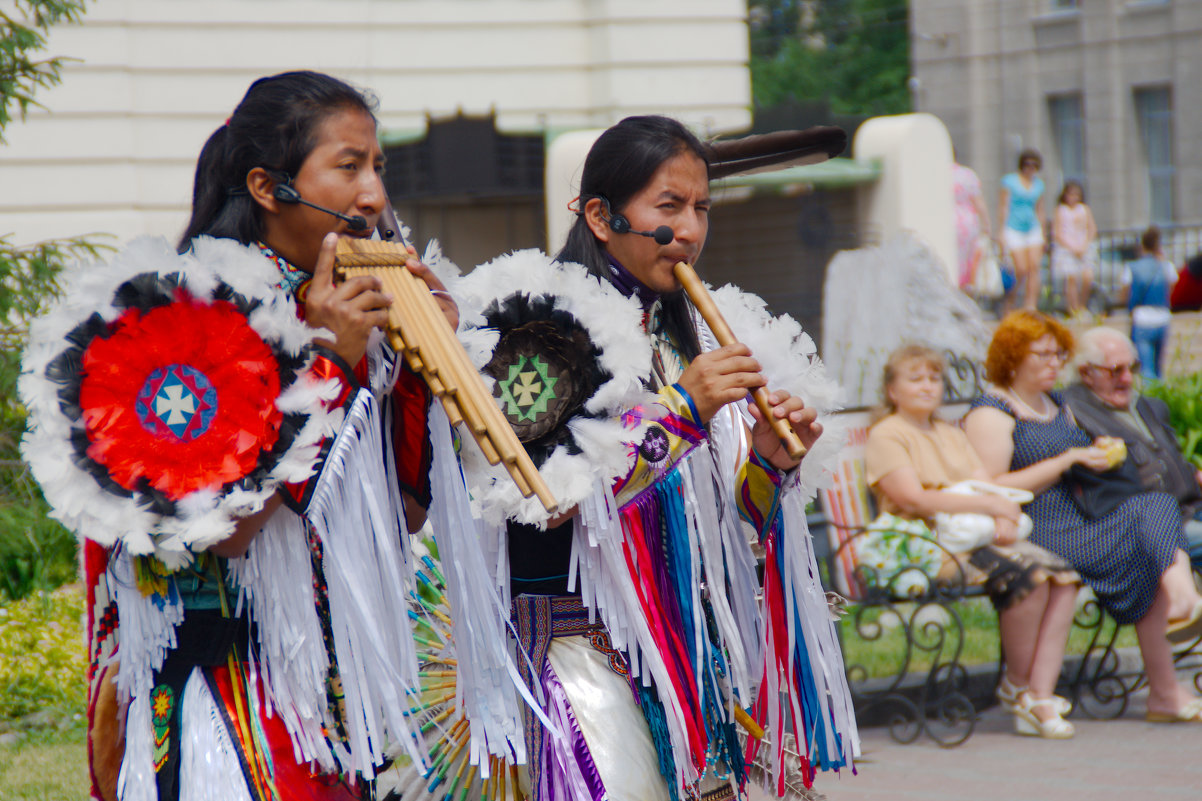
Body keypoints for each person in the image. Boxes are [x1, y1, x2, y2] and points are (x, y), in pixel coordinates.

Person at [82, 71, 459, 801]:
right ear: (268, 186)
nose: (374, 196)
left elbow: (401, 518)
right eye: (348, 167)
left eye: (377, 166)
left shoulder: (345, 308)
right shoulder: (178, 320)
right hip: (223, 697)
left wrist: (415, 376)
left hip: (333, 693)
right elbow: (224, 531)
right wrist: (326, 364)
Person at [457, 115, 851, 800]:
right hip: (577, 652)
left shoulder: (691, 334)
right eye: (669, 207)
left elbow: (733, 533)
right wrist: (680, 412)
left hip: (689, 657)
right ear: (602, 217)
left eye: (701, 208)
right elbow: (543, 500)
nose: (692, 230)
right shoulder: (537, 330)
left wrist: (767, 464)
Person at [964, 311, 1202, 725]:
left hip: (1082, 519)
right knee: (1150, 542)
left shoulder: (1058, 403)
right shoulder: (993, 410)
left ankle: (1177, 628)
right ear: (1013, 357)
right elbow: (994, 484)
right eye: (1043, 355)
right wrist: (1069, 458)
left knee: (1156, 508)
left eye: (1059, 354)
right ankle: (1178, 632)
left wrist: (1102, 451)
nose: (1056, 363)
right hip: (1035, 525)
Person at [866, 344, 1080, 738]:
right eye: (915, 379)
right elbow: (913, 499)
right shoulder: (887, 433)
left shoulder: (950, 431)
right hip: (925, 547)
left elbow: (984, 481)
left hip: (970, 536)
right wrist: (989, 505)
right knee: (1028, 578)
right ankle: (1018, 686)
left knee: (1064, 577)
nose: (928, 386)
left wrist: (999, 509)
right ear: (892, 390)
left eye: (933, 378)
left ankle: (1039, 693)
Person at [1065, 327, 1202, 563]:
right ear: (1086, 373)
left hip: (1189, 507)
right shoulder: (1073, 415)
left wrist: (1195, 474)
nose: (1127, 378)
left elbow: (1169, 458)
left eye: (1133, 368)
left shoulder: (1148, 406)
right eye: (1116, 371)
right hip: (1145, 526)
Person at [1121, 225, 1177, 379]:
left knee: (1146, 368)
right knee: (1159, 367)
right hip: (1163, 316)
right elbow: (1171, 289)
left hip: (1142, 317)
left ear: (1142, 246)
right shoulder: (1166, 266)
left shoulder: (1131, 267)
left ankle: (1150, 399)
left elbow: (1124, 294)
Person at [998, 149, 1047, 312]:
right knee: (1021, 268)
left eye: (1034, 165)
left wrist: (1044, 233)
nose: (1030, 168)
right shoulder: (1010, 181)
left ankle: (1030, 304)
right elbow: (1004, 206)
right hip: (1014, 227)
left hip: (1032, 227)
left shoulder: (1038, 185)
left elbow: (1040, 209)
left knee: (1034, 267)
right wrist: (1001, 231)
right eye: (1027, 164)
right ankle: (1011, 299)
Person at [1049, 180, 1097, 318]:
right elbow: (1057, 232)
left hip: (1083, 246)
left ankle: (1082, 305)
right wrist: (1072, 247)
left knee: (1088, 277)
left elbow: (1092, 228)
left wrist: (1085, 244)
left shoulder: (1084, 209)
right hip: (1067, 247)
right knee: (1072, 279)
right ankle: (1073, 308)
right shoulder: (1060, 210)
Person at [953, 159, 992, 290]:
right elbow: (978, 201)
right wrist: (986, 225)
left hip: (945, 221)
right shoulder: (967, 174)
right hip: (968, 223)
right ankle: (965, 290)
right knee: (968, 261)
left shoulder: (935, 172)